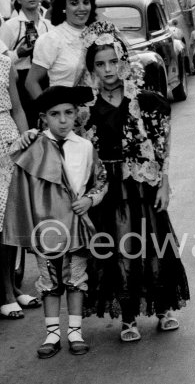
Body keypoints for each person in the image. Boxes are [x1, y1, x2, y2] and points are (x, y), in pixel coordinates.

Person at [78, 21, 189, 341]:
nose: (108, 69)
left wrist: (164, 182)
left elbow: (161, 145)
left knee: (154, 245)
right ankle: (127, 317)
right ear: (91, 68)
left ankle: (164, 308)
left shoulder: (146, 101)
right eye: (100, 64)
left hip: (143, 185)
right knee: (118, 251)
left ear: (124, 61)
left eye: (114, 61)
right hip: (109, 190)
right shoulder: (86, 109)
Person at [2, 85, 107, 358]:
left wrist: (90, 200)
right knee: (48, 283)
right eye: (55, 114)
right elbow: (18, 180)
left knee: (75, 280)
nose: (62, 120)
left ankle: (75, 332)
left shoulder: (84, 147)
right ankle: (52, 335)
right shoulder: (33, 145)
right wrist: (23, 137)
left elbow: (101, 181)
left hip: (75, 224)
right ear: (43, 117)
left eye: (69, 113)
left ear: (76, 115)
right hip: (45, 228)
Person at [0, 51, 39, 320]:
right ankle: (5, 294)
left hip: (8, 144)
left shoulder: (4, 61)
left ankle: (13, 285)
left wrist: (25, 142)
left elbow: (17, 107)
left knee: (10, 218)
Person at [25, 0, 96, 99]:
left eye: (86, 2)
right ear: (64, 5)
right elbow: (31, 83)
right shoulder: (52, 39)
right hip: (65, 112)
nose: (81, 8)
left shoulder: (98, 35)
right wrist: (49, 110)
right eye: (74, 3)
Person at [0, 0, 52, 127]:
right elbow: (1, 61)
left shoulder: (48, 26)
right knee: (28, 124)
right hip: (20, 82)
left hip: (45, 79)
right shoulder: (10, 26)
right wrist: (18, 54)